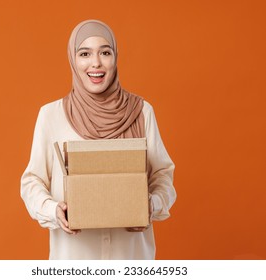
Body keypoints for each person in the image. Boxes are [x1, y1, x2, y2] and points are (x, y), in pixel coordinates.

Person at [21, 19, 176, 260]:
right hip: (74, 260)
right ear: (73, 60)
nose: (96, 63)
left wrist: (151, 205)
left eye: (105, 52)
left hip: (131, 259)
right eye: (84, 53)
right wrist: (54, 210)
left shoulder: (141, 112)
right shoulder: (51, 115)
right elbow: (32, 181)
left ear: (115, 58)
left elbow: (162, 175)